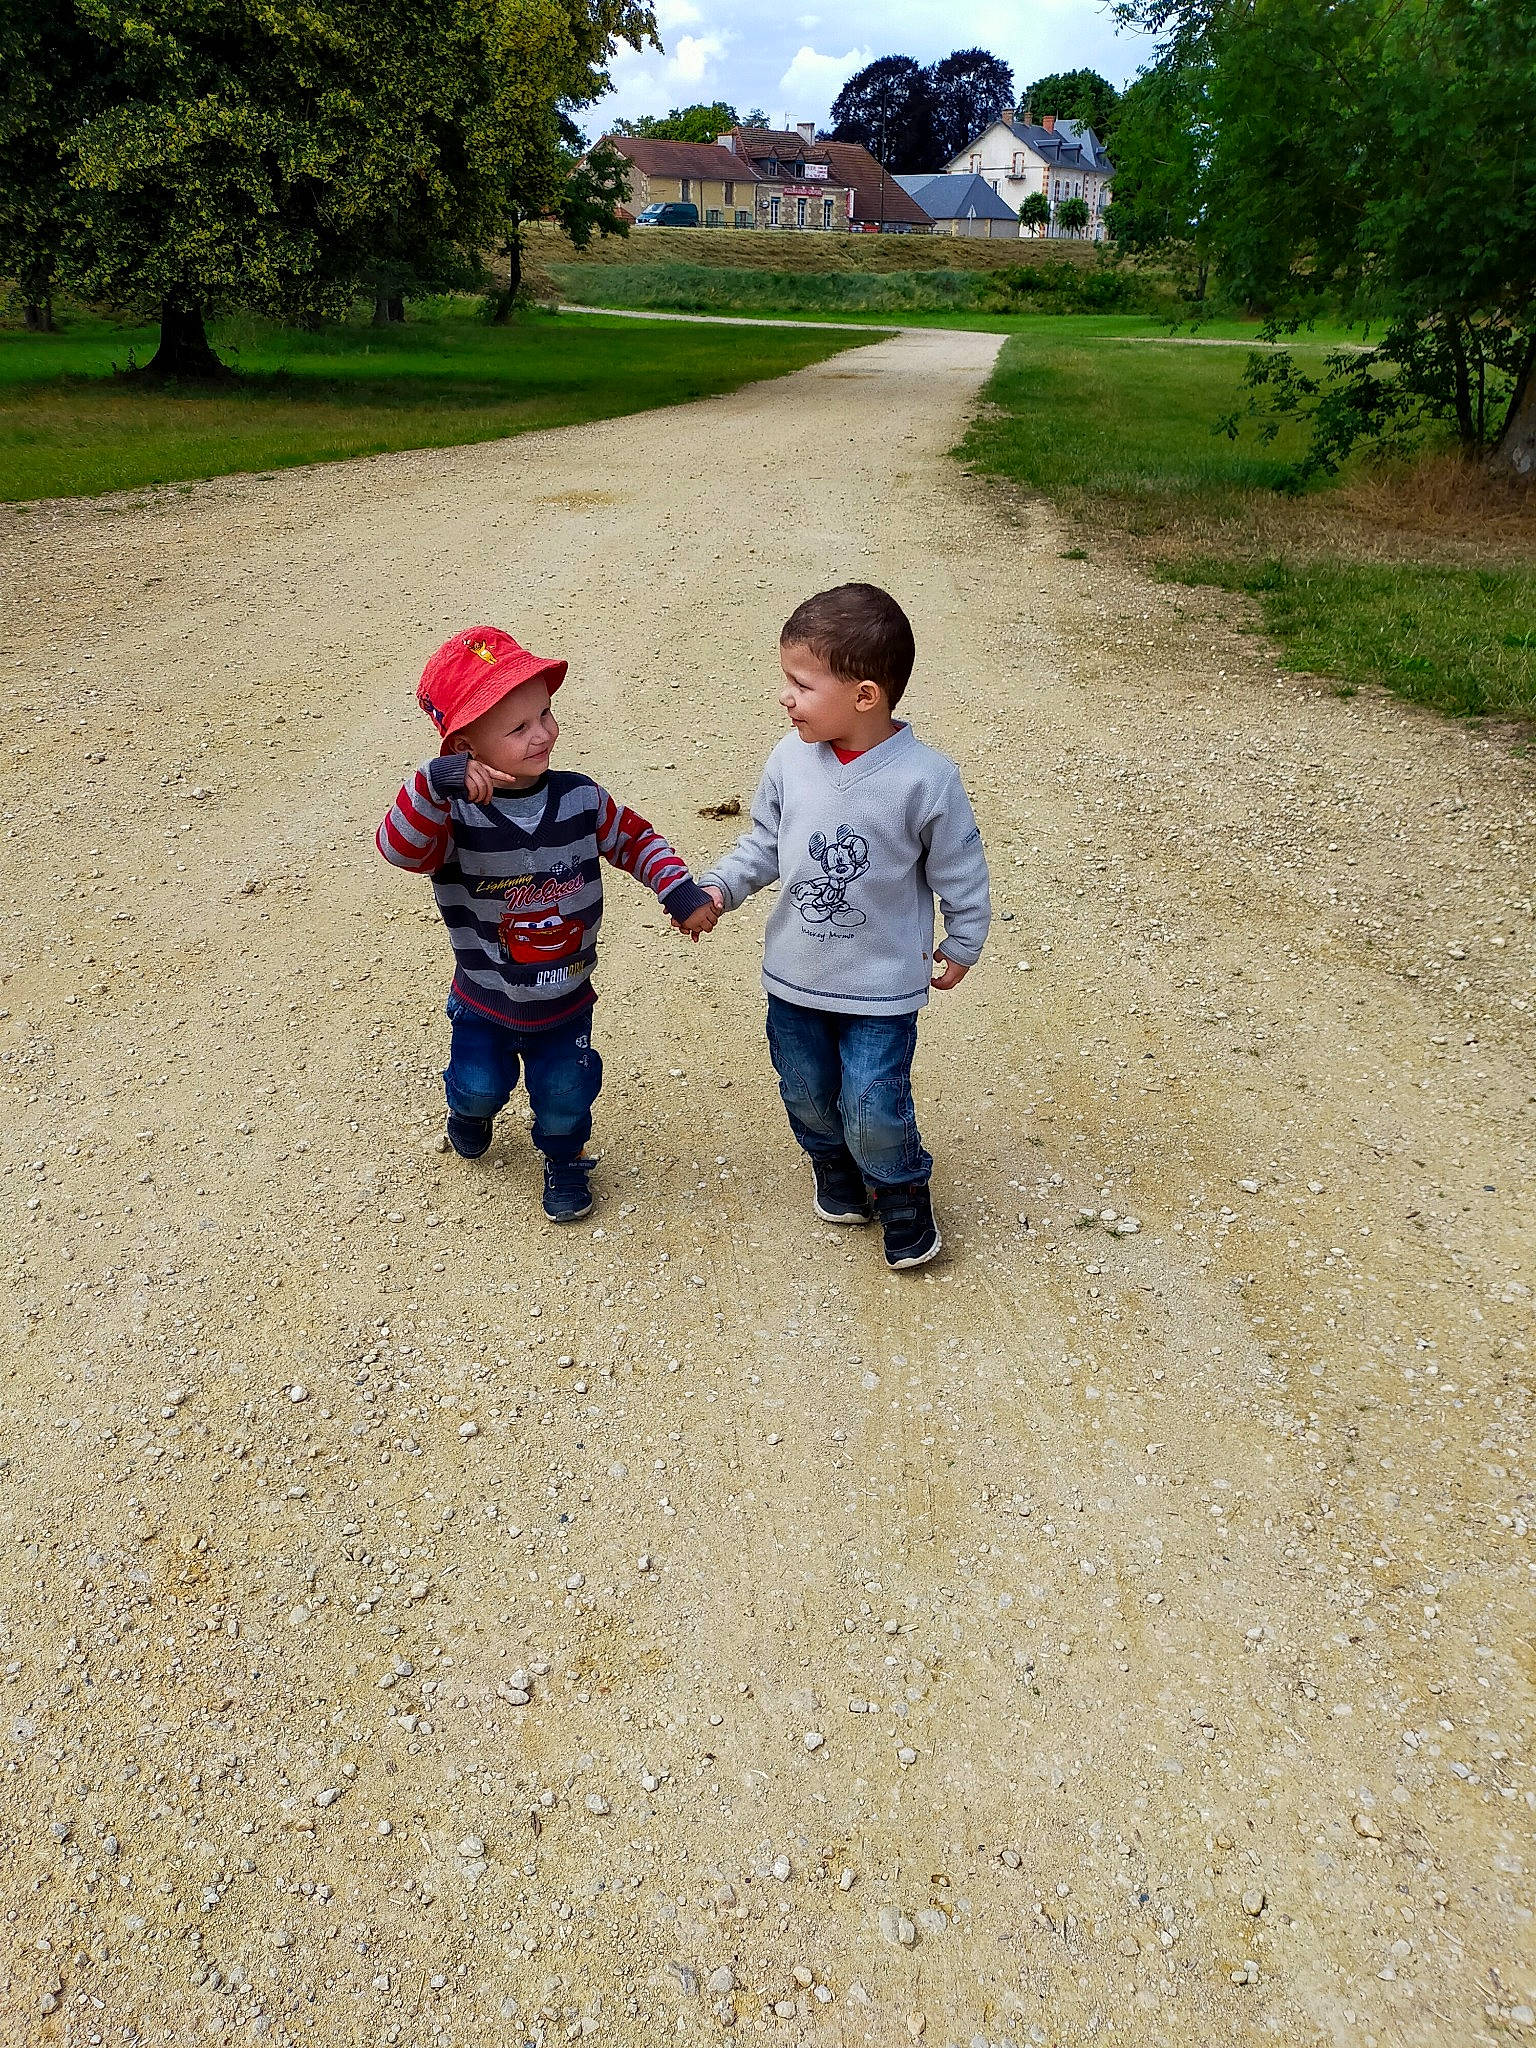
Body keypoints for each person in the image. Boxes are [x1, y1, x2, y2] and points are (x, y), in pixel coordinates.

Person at [378, 626, 716, 1221]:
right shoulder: (450, 816)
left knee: (566, 1094)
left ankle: (564, 1157)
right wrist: (433, 784)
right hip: (485, 995)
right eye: (519, 728)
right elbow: (399, 849)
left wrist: (678, 888)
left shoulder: (580, 799)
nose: (544, 734)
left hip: (565, 999)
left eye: (546, 714)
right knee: (480, 1081)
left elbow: (635, 839)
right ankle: (468, 1109)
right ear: (464, 750)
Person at [697, 584, 990, 1269]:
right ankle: (833, 1167)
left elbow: (961, 871)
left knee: (873, 1102)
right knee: (804, 1090)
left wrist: (965, 938)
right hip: (795, 974)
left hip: (881, 986)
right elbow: (764, 844)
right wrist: (717, 887)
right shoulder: (788, 760)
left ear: (864, 696)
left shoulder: (926, 780)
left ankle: (901, 1188)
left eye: (800, 684)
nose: (784, 697)